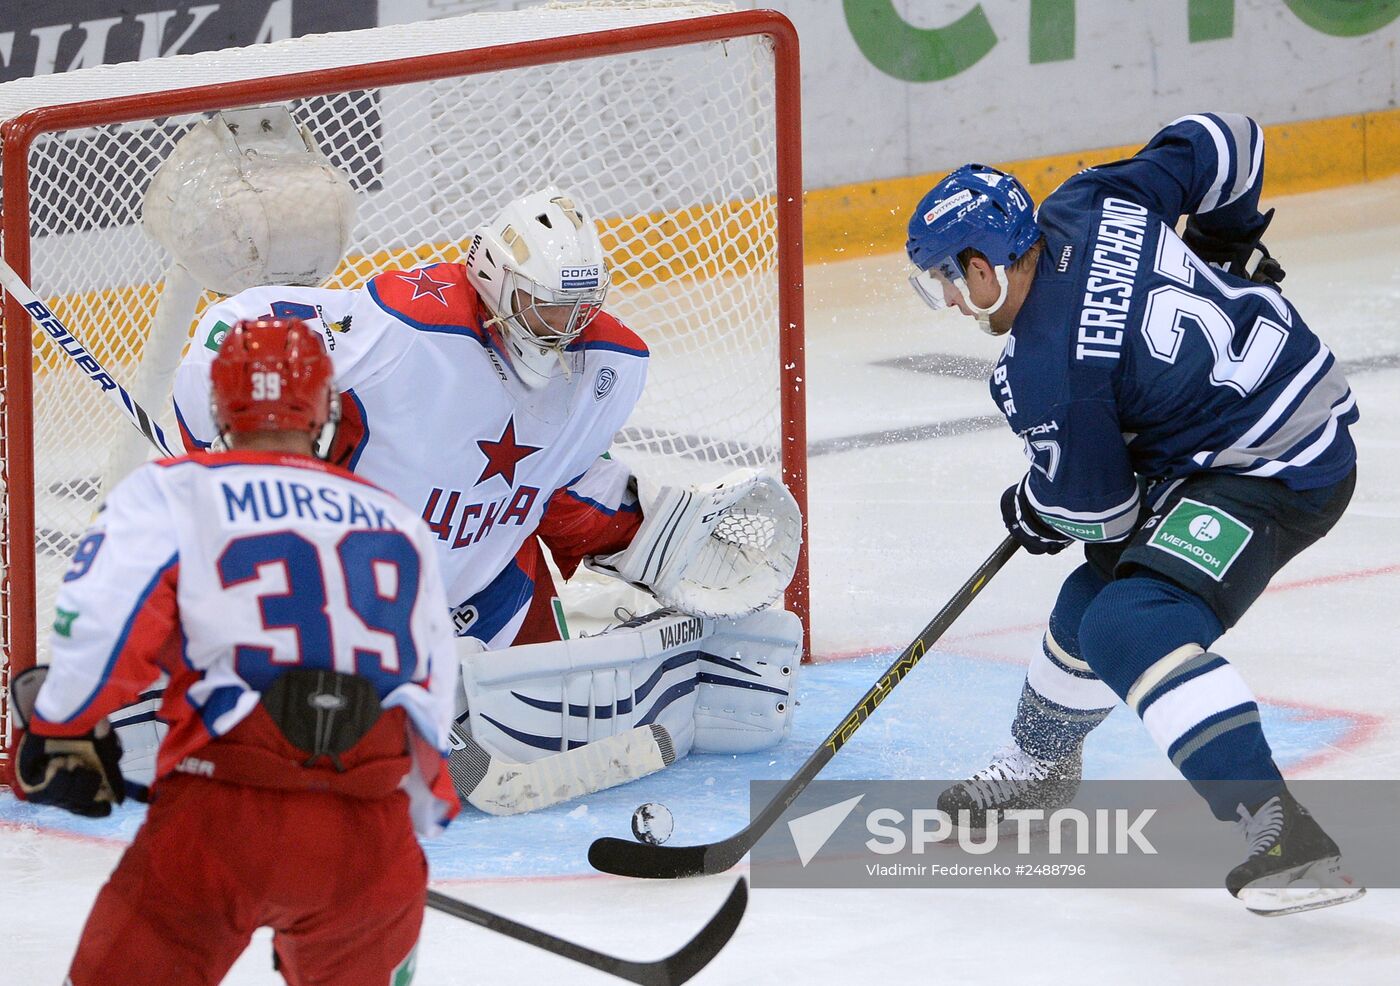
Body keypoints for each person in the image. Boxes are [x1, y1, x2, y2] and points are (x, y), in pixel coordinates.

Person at [168, 186, 804, 802]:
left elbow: (555, 486)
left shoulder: (605, 362)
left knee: (557, 723)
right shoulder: (408, 326)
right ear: (495, 281)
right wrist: (239, 455)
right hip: (357, 606)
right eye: (547, 308)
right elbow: (226, 332)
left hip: (493, 593)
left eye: (579, 309)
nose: (565, 329)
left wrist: (658, 534)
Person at [905, 113, 1363, 914]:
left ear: (985, 268)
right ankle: (1042, 762)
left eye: (947, 279)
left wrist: (1039, 507)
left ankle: (1287, 837)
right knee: (1097, 600)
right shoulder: (1085, 201)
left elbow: (1105, 514)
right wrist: (1228, 240)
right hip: (1240, 423)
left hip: (1276, 465)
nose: (949, 299)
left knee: (1130, 621)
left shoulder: (1044, 369)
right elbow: (1227, 139)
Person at [6, 318, 459, 984]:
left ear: (218, 405)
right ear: (326, 408)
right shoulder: (397, 519)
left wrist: (62, 727)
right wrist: (394, 839)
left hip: (222, 818)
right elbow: (433, 689)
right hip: (370, 837)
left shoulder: (174, 488)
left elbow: (105, 625)